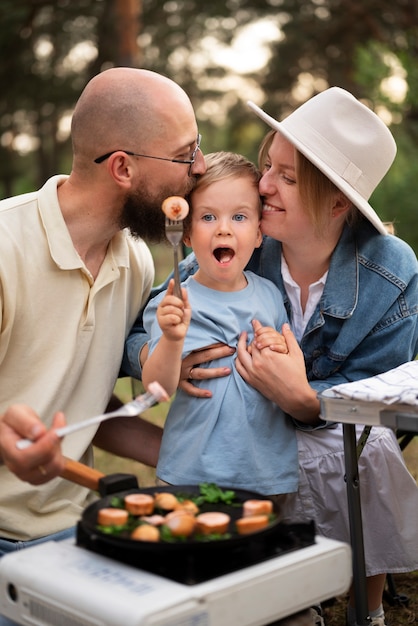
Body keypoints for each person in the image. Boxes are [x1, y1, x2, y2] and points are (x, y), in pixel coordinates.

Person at [123, 87, 418, 626]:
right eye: (267, 166)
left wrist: (306, 400)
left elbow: (385, 404)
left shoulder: (389, 272)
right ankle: (276, 586)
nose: (263, 185)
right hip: (239, 435)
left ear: (336, 203)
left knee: (370, 451)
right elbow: (149, 326)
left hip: (327, 430)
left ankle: (365, 606)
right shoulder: (240, 240)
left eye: (286, 176)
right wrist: (171, 353)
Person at [0, 65, 205, 624]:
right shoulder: (3, 247)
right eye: (186, 154)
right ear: (122, 167)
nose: (201, 168)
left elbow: (87, 410)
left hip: (72, 530)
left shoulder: (137, 261)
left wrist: (193, 458)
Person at [142, 152, 297, 497]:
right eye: (208, 216)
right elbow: (158, 389)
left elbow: (291, 366)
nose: (224, 228)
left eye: (239, 217)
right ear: (184, 234)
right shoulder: (174, 304)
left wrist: (277, 347)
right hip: (190, 474)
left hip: (267, 473)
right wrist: (170, 339)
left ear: (259, 234)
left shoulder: (271, 296)